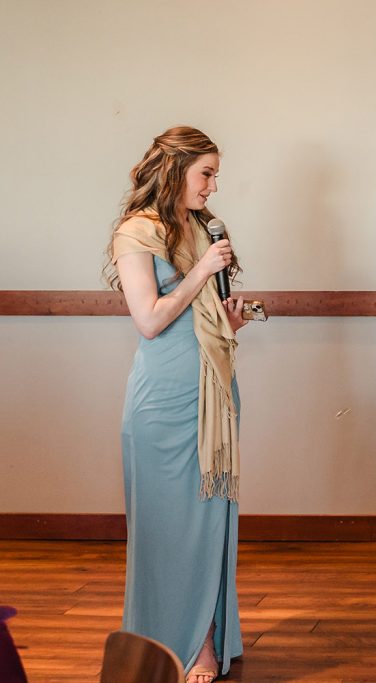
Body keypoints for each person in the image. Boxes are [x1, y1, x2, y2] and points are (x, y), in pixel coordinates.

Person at [104, 126, 246, 683]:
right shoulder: (136, 232)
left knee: (211, 520)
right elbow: (150, 320)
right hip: (162, 403)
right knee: (167, 527)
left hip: (214, 390)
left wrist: (230, 321)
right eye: (206, 172)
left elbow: (198, 317)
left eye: (214, 175)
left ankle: (207, 639)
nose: (213, 186)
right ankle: (177, 645)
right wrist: (201, 271)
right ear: (175, 168)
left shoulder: (202, 227)